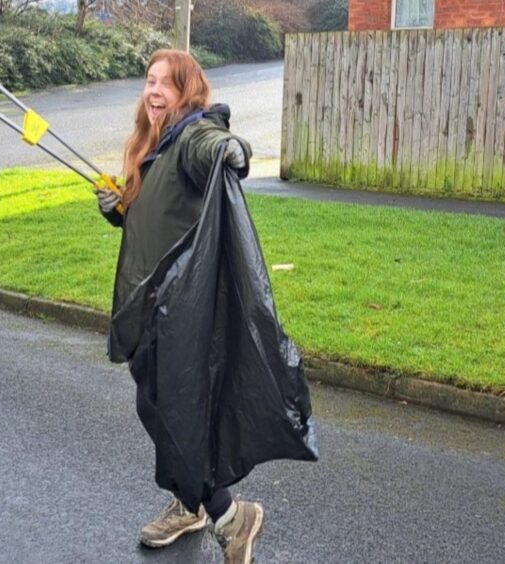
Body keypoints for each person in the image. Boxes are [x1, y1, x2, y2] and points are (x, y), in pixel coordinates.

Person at [95, 49, 316, 564]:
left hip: (182, 309)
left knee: (172, 411)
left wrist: (230, 149)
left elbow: (216, 145)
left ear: (186, 91)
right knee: (159, 406)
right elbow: (158, 216)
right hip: (150, 303)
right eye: (149, 80)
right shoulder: (153, 144)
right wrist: (119, 207)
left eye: (165, 83)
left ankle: (231, 516)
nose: (153, 91)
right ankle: (192, 503)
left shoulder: (193, 133)